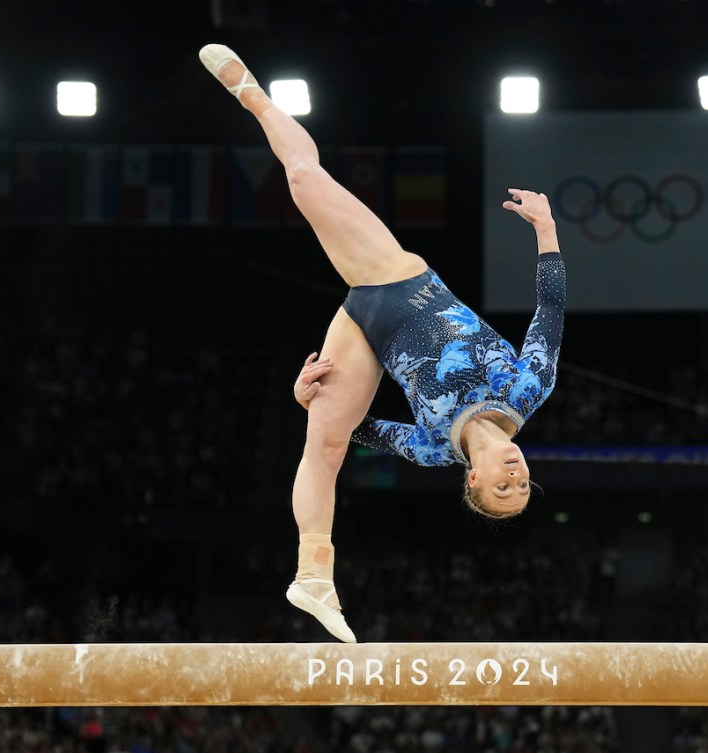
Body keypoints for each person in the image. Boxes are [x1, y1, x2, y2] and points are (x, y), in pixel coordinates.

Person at [199, 43, 566, 643]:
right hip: (397, 279)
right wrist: (547, 231)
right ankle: (255, 97)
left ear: (472, 481)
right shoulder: (528, 388)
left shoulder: (432, 451)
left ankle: (313, 574)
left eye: (503, 488)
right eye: (523, 484)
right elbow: (548, 311)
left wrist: (307, 400)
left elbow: (363, 429)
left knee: (324, 446)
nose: (516, 476)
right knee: (303, 179)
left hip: (362, 333)